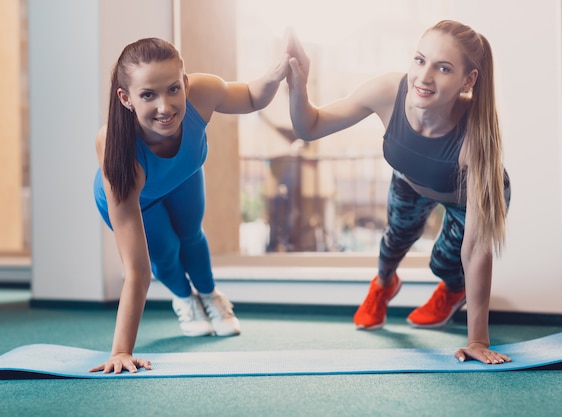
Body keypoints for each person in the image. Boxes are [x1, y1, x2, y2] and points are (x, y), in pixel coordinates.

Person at [286, 21, 511, 364]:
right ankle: (384, 285)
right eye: (420, 60)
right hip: (410, 180)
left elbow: (478, 246)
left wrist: (477, 339)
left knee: (445, 263)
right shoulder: (389, 92)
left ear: (469, 80)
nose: (424, 76)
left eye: (443, 68)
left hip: (463, 197)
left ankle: (453, 291)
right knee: (394, 240)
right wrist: (298, 85)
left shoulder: (475, 141)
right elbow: (310, 127)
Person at [90, 37, 289, 374]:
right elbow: (137, 272)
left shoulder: (203, 93)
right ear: (126, 98)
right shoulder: (115, 147)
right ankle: (185, 298)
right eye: (148, 95)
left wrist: (275, 73)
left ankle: (211, 297)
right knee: (165, 252)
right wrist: (121, 350)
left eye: (172, 89)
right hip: (138, 198)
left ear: (184, 83)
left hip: (183, 175)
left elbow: (254, 96)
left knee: (191, 234)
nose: (165, 107)